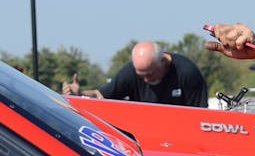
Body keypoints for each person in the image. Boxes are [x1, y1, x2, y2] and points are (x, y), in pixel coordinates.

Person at [62, 41, 208, 108]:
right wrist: (79, 94)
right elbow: (100, 95)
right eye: (141, 75)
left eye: (149, 74)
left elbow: (200, 116)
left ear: (163, 62)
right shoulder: (130, 73)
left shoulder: (187, 73)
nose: (145, 79)